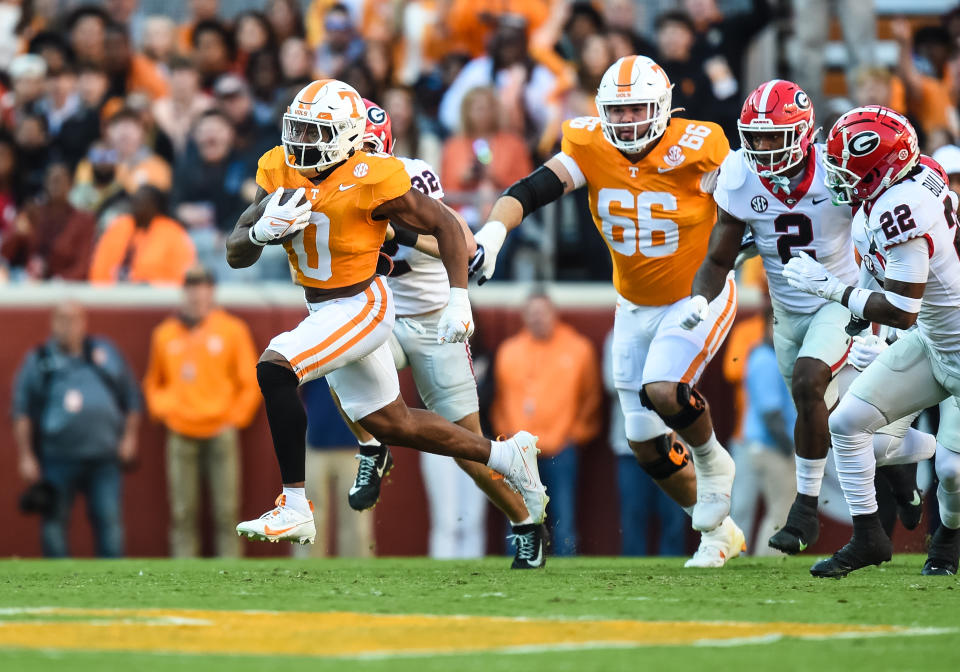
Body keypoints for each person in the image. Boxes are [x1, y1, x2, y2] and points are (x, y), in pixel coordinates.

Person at [225, 79, 546, 548]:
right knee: (394, 421)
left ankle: (295, 505)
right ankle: (505, 456)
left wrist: (458, 297)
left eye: (315, 133)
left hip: (372, 305)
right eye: (298, 129)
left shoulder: (379, 176)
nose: (301, 143)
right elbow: (236, 251)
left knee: (277, 367)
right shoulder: (279, 168)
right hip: (332, 305)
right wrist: (257, 235)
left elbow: (448, 228)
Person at [472, 55, 743, 567]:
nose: (626, 122)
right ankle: (720, 533)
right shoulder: (589, 142)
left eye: (638, 109)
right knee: (643, 442)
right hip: (634, 303)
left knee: (663, 389)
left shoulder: (701, 143)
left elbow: (744, 198)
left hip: (696, 294)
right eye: (616, 111)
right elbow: (530, 191)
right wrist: (494, 231)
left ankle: (713, 463)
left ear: (663, 108)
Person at [687, 80, 934, 554]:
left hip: (837, 301)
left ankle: (804, 510)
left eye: (770, 137)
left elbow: (880, 222)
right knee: (836, 418)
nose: (759, 148)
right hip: (787, 312)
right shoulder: (739, 174)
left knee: (807, 383)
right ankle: (904, 474)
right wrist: (700, 300)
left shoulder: (835, 169)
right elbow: (720, 258)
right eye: (753, 137)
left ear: (802, 134)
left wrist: (874, 301)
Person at [348, 99, 538, 565]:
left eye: (367, 145)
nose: (358, 155)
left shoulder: (413, 176)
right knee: (340, 353)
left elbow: (461, 241)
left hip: (436, 320)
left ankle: (526, 522)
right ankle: (372, 448)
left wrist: (399, 236)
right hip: (384, 316)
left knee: (466, 449)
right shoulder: (335, 187)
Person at [780, 105, 960, 577]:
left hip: (952, 345)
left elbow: (903, 307)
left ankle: (949, 536)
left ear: (881, 168)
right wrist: (866, 331)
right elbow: (881, 275)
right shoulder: (901, 186)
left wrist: (829, 288)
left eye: (848, 169)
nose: (839, 178)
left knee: (952, 473)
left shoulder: (901, 210)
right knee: (848, 425)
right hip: (931, 341)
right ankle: (869, 537)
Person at [143, 266, 261, 557]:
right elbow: (152, 382)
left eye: (203, 288)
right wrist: (166, 412)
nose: (197, 295)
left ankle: (231, 576)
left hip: (221, 431)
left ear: (212, 292)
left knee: (226, 511)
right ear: (184, 293)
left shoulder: (232, 330)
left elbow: (251, 382)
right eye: (191, 288)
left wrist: (234, 419)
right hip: (181, 432)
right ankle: (184, 576)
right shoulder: (165, 334)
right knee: (183, 512)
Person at [11, 301, 142, 558]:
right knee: (54, 523)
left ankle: (113, 579)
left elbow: (132, 398)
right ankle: (58, 581)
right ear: (52, 323)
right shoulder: (40, 360)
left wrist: (129, 438)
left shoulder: (105, 352)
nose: (68, 325)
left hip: (104, 456)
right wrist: (26, 455)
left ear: (84, 323)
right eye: (62, 319)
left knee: (108, 519)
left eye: (74, 319)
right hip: (57, 457)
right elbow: (22, 410)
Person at [492, 292, 602, 556]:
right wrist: (507, 440)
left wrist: (575, 435)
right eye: (532, 313)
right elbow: (499, 400)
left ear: (554, 313)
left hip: (561, 449)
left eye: (542, 312)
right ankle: (519, 573)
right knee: (520, 519)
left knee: (564, 519)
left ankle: (567, 577)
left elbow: (591, 399)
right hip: (520, 453)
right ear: (523, 316)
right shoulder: (509, 350)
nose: (537, 318)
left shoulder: (578, 348)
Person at [603, 328, 688, 556]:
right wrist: (658, 385)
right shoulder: (617, 336)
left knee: (673, 514)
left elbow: (685, 381)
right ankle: (632, 572)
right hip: (630, 446)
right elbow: (614, 383)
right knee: (633, 515)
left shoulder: (677, 334)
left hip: (671, 440)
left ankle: (672, 571)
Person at [295, 377, 376, 558]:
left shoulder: (360, 349)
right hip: (315, 441)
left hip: (356, 444)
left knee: (357, 519)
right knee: (310, 517)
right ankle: (305, 575)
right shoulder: (311, 349)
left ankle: (358, 575)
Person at [742, 304, 797, 555]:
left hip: (767, 445)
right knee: (781, 512)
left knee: (780, 510)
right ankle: (769, 561)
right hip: (771, 446)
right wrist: (790, 449)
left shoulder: (769, 356)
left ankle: (768, 559)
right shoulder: (765, 358)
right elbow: (771, 414)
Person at [1, 161, 95, 281]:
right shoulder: (33, 213)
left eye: (60, 181)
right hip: (29, 284)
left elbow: (83, 266)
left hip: (66, 289)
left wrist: (58, 282)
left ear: (71, 185)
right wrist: (16, 232)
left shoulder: (84, 221)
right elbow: (5, 253)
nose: (56, 185)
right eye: (52, 180)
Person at [89, 185, 196, 285]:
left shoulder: (173, 232)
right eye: (135, 201)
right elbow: (99, 267)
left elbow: (181, 275)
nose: (137, 205)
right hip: (114, 297)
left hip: (157, 299)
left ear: (155, 206)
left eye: (143, 202)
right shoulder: (119, 226)